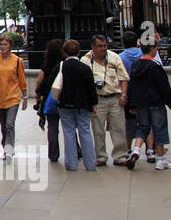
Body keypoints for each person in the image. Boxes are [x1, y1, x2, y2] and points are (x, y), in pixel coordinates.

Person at [124, 38, 171, 171]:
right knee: (159, 129)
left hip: (141, 103)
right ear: (152, 49)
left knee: (142, 127)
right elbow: (163, 87)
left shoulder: (136, 65)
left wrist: (131, 104)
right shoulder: (155, 66)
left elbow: (132, 86)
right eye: (156, 48)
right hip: (156, 102)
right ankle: (160, 160)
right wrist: (170, 103)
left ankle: (136, 150)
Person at [82, 34, 130, 167]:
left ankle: (120, 156)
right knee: (98, 130)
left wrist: (124, 95)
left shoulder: (114, 57)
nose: (103, 49)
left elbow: (123, 78)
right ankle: (100, 156)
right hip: (97, 100)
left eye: (105, 46)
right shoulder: (85, 60)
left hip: (115, 98)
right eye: (100, 46)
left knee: (119, 128)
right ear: (93, 47)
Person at [50, 39, 98, 170]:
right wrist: (94, 105)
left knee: (68, 133)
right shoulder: (85, 68)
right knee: (85, 132)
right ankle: (90, 164)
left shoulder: (61, 67)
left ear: (64, 52)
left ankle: (71, 164)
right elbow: (91, 89)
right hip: (83, 104)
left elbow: (51, 83)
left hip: (65, 104)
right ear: (79, 52)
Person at [0, 35, 27, 161]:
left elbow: (22, 79)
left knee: (9, 124)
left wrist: (25, 96)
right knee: (3, 126)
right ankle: (5, 147)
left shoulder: (18, 61)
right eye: (1, 44)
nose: (2, 47)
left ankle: (9, 150)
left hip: (12, 97)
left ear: (10, 46)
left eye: (5, 44)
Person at [34, 38, 64, 163]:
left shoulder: (46, 65)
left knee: (52, 127)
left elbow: (39, 82)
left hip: (50, 99)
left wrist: (38, 99)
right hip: (65, 98)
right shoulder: (64, 63)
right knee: (69, 127)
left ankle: (53, 154)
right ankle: (76, 150)